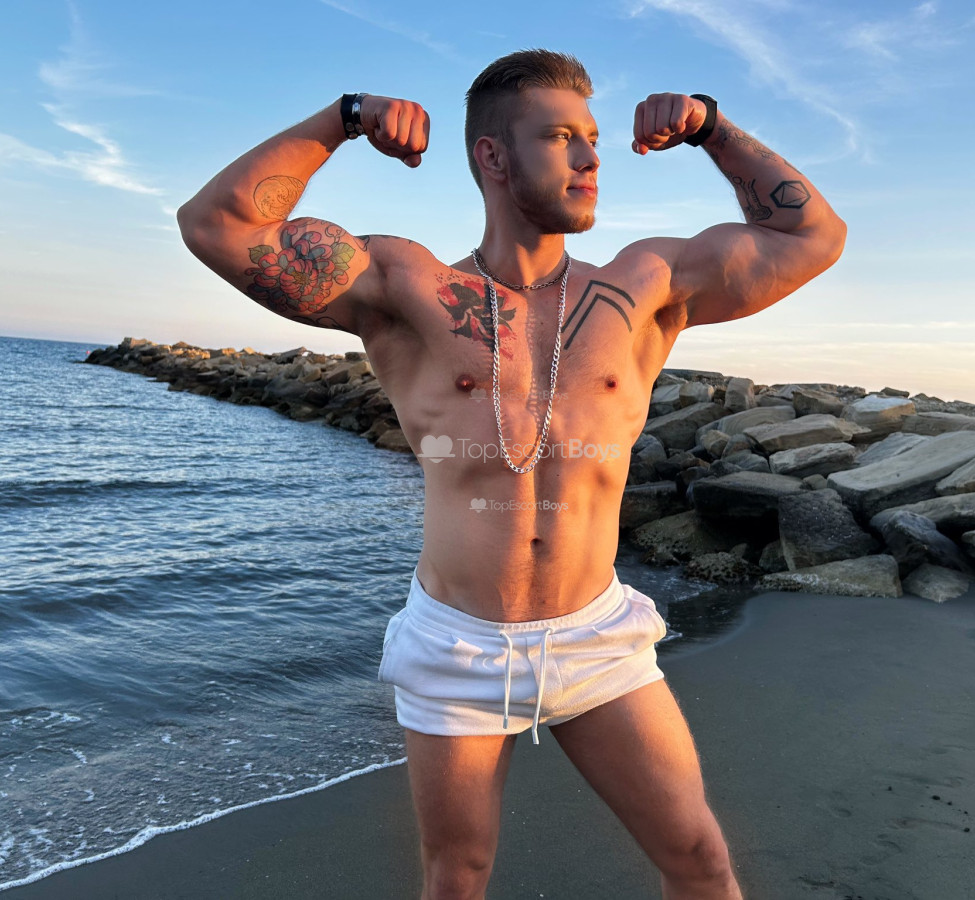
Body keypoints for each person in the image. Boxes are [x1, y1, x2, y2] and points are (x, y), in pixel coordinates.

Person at [178, 48, 845, 900]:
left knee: (700, 859)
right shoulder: (409, 287)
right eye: (562, 138)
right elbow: (217, 225)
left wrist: (712, 128)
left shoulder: (644, 285)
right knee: (456, 877)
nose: (592, 157)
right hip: (457, 642)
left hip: (595, 634)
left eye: (592, 137)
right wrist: (344, 118)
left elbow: (812, 238)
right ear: (492, 156)